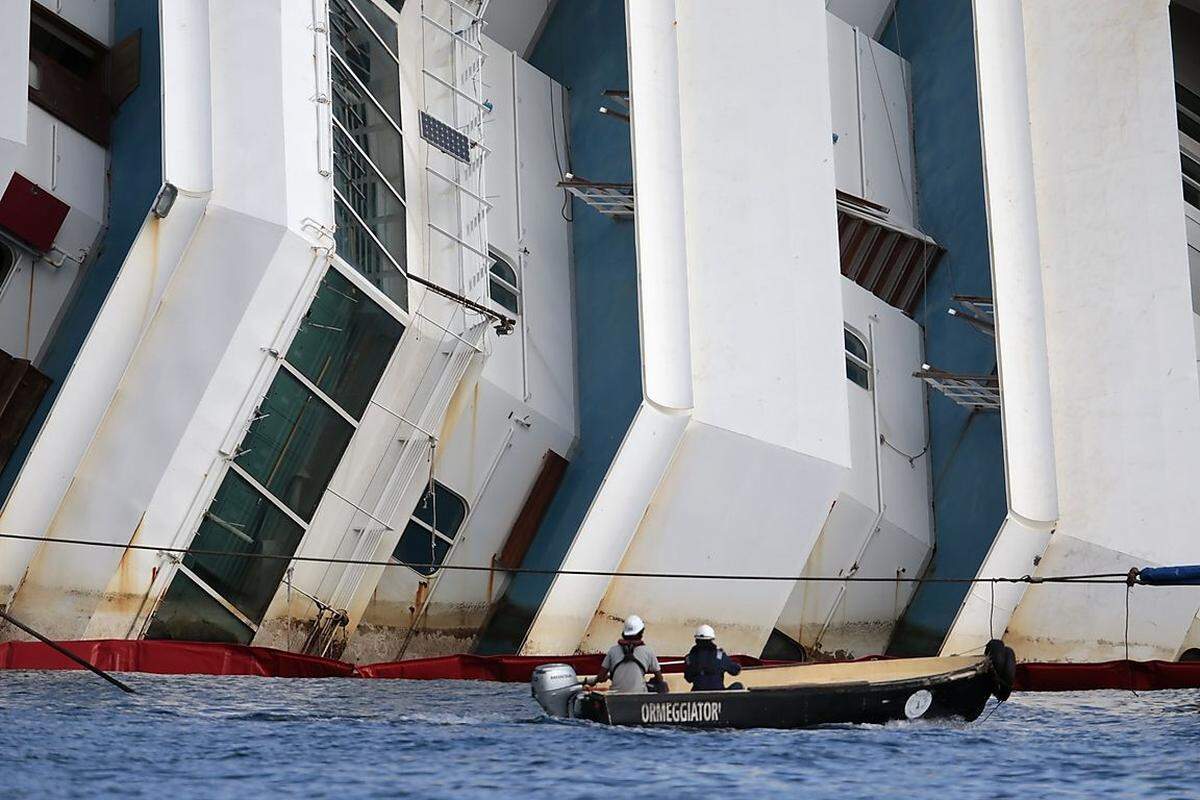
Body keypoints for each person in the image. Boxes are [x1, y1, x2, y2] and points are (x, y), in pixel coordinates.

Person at [585, 615, 664, 693]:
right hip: (639, 698)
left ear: (624, 633)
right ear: (641, 632)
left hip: (615, 698)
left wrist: (606, 677)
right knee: (663, 686)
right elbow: (660, 679)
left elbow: (601, 677)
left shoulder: (613, 651)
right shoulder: (648, 651)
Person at [684, 624, 742, 691]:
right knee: (738, 686)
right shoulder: (720, 655)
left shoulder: (689, 658)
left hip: (698, 695)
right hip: (719, 696)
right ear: (711, 639)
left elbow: (688, 679)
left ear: (696, 640)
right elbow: (734, 671)